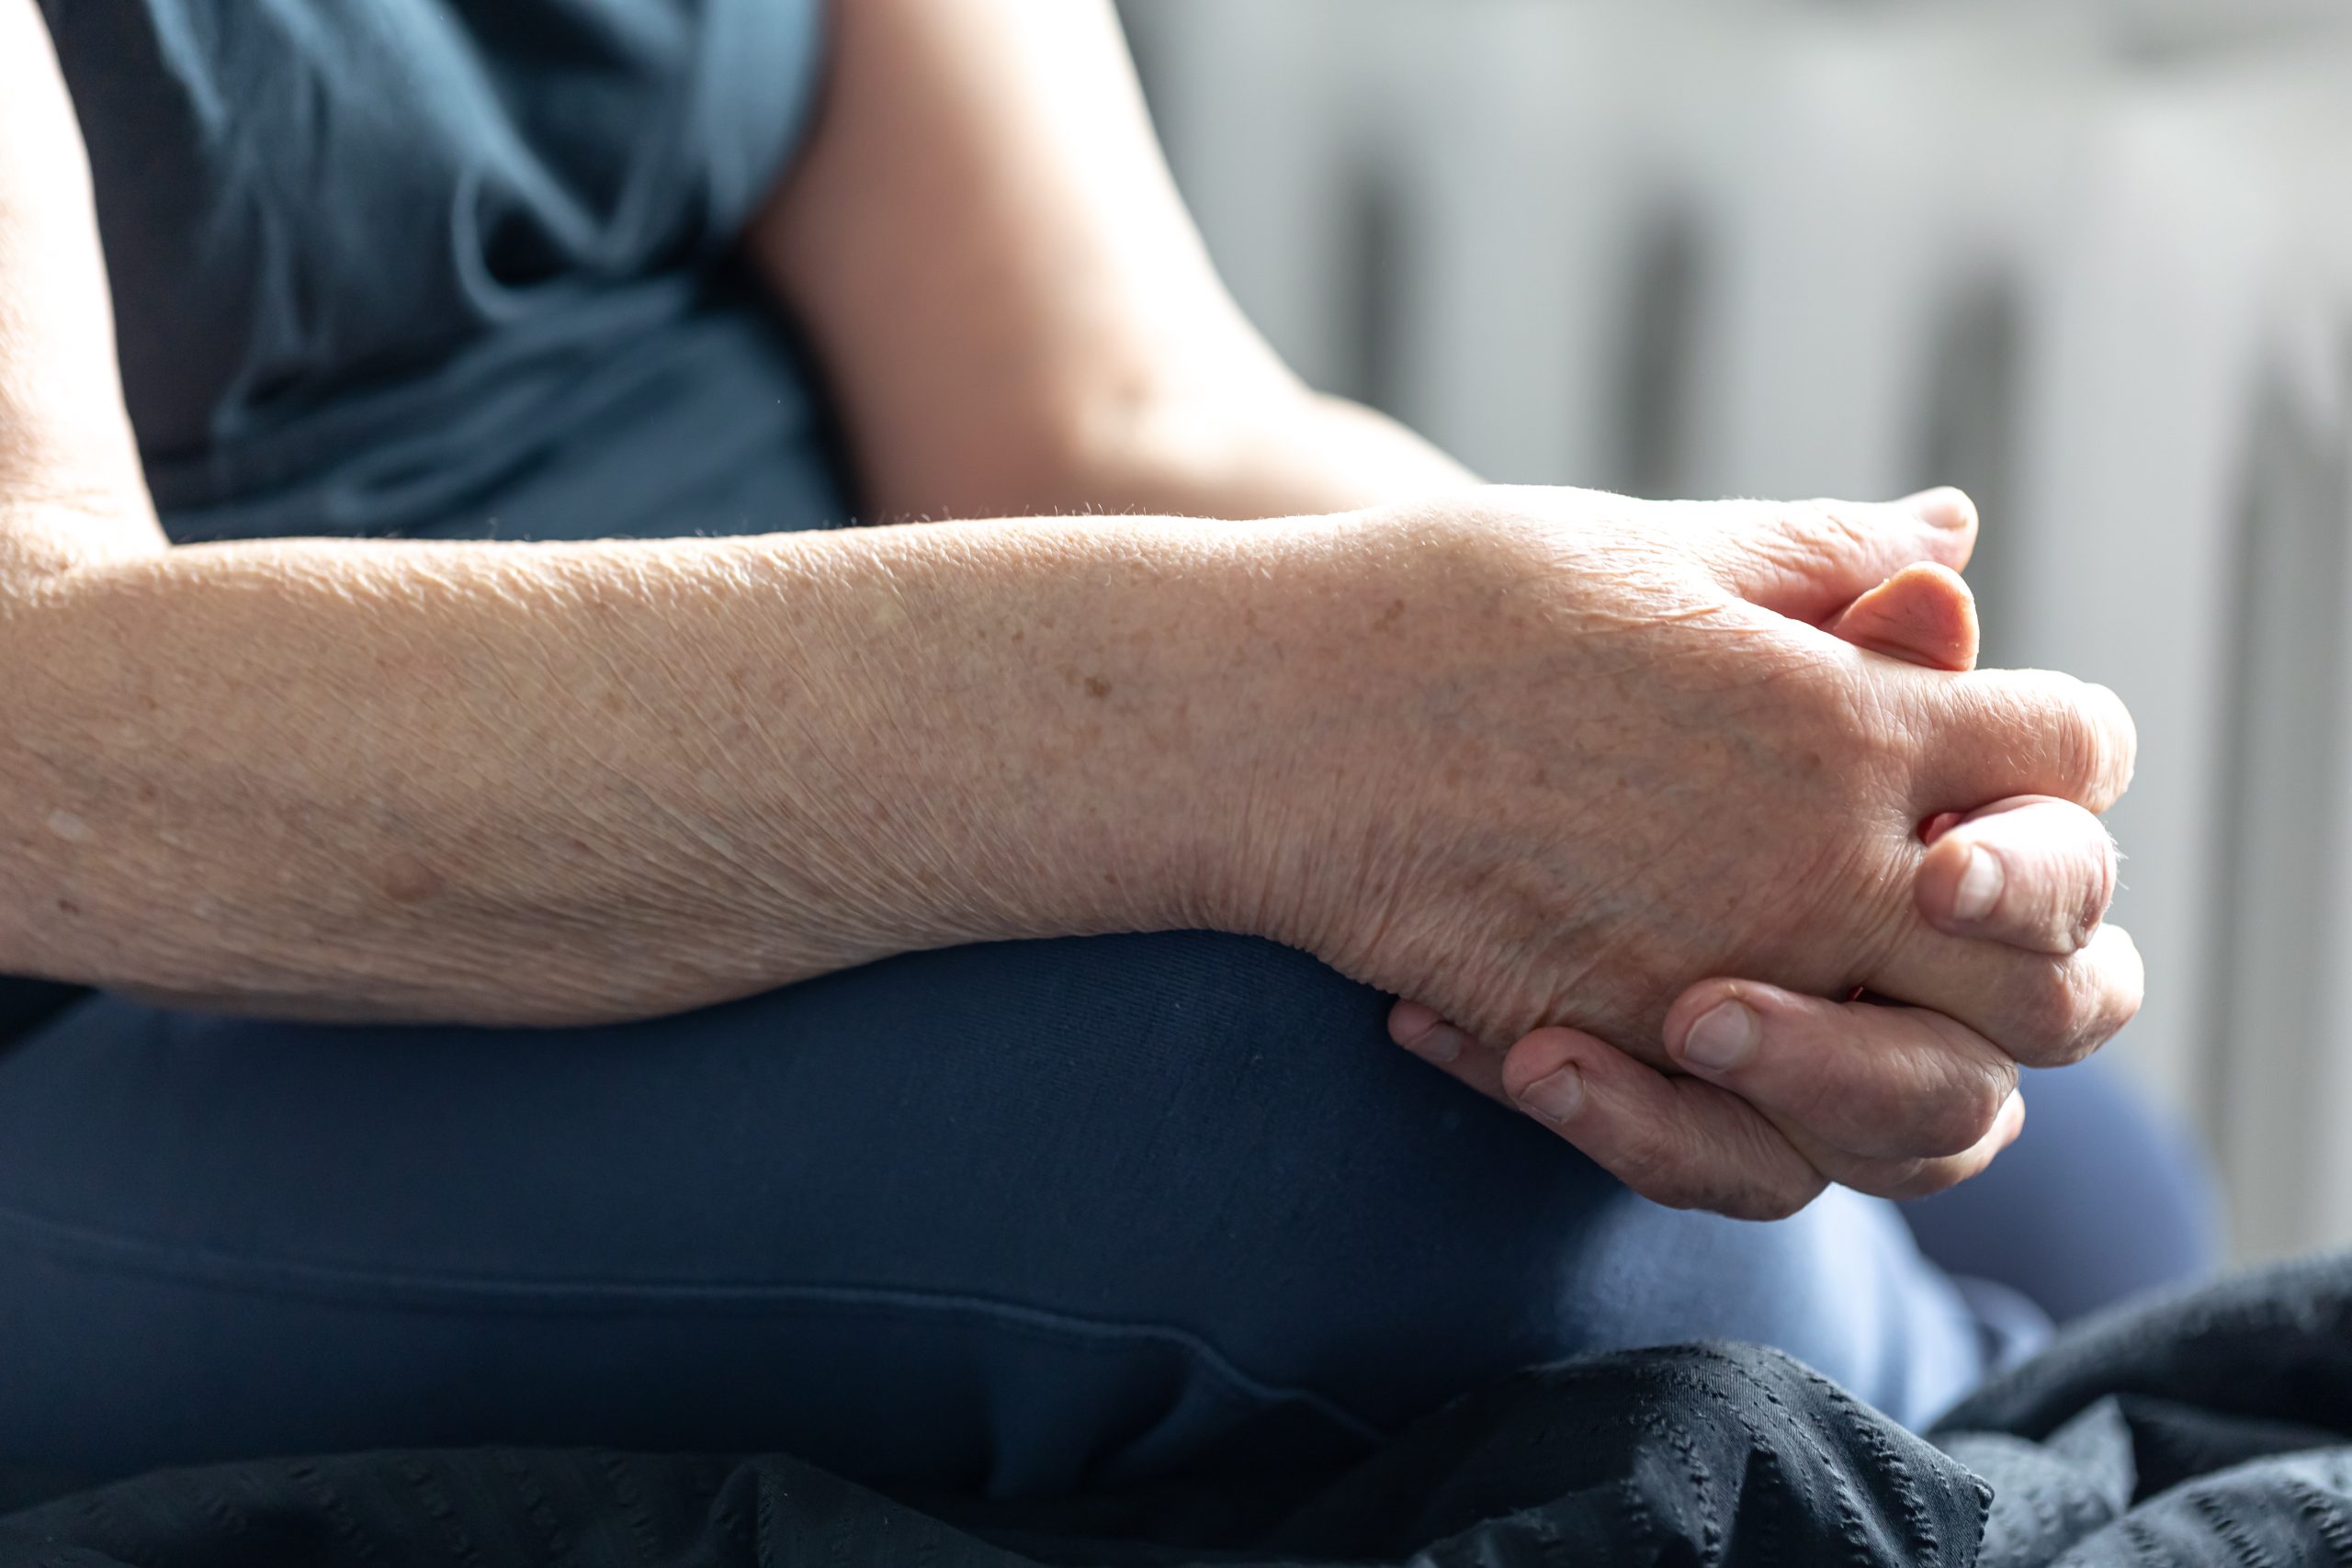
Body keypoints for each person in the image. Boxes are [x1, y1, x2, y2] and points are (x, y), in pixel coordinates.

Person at [0, 0, 2206, 1497]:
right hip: (159, 953)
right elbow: (45, 713)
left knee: (2075, 1160)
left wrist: (1722, 719)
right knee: (1418, 1143)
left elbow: (1111, 404)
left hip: (876, 716)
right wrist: (1317, 717)